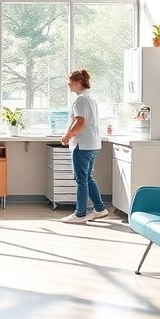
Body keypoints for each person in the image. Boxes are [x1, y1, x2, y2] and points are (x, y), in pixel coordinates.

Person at [59, 69, 109, 223]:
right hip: (92, 144)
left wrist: (68, 135)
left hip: (82, 144)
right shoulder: (90, 98)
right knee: (88, 178)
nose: (68, 85)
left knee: (81, 179)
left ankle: (80, 214)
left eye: (70, 82)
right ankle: (100, 209)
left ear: (78, 83)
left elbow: (80, 121)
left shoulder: (81, 99)